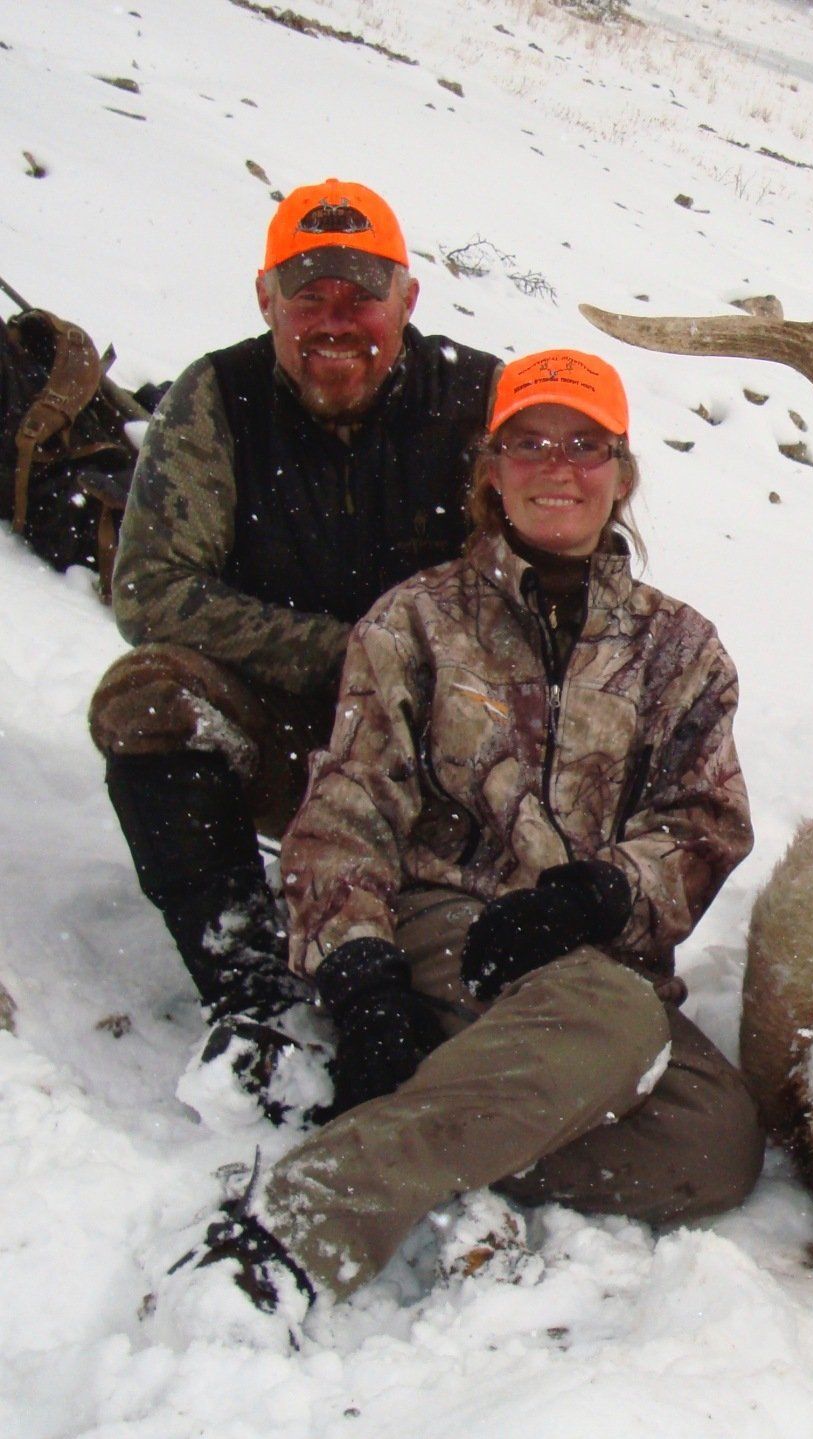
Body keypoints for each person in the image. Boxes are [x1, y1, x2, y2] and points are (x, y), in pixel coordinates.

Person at [166, 348, 762, 1321]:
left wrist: (608, 889)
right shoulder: (417, 618)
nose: (557, 467)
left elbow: (705, 821)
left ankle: (428, 1102)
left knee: (716, 1145)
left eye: (585, 444)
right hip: (447, 923)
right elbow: (349, 805)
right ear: (490, 469)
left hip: (588, 950)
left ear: (623, 471)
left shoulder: (681, 648)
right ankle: (303, 1216)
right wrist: (359, 974)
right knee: (616, 1023)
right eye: (529, 443)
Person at [86, 179, 499, 1114]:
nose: (335, 319)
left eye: (361, 294)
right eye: (308, 295)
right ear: (265, 298)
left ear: (409, 300)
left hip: (438, 750)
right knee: (150, 698)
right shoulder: (217, 399)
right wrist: (347, 654)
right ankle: (248, 982)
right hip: (288, 730)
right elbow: (151, 586)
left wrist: (412, 682)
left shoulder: (481, 401)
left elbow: (540, 587)